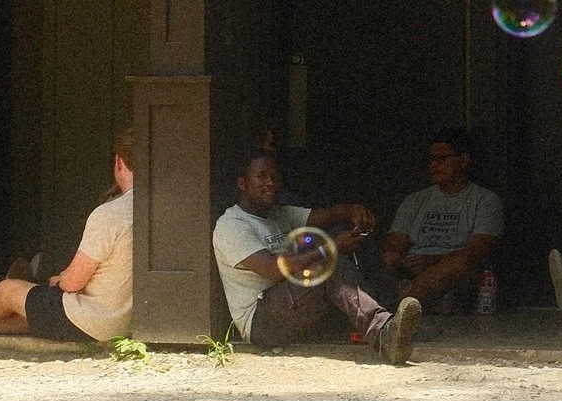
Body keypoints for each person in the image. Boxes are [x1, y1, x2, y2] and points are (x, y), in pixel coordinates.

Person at [211, 149, 420, 362]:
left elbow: (331, 214)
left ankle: (391, 319)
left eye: (275, 177)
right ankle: (384, 335)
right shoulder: (231, 226)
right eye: (262, 176)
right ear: (242, 184)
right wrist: (332, 246)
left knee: (345, 236)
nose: (271, 183)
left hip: (291, 302)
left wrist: (354, 211)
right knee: (328, 262)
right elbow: (275, 270)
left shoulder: (278, 213)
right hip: (261, 321)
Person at [0, 134, 135, 342]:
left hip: (94, 321)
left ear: (119, 162)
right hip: (128, 323)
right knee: (31, 313)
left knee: (9, 289)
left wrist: (59, 280)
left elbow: (73, 282)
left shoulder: (111, 213)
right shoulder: (161, 213)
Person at [380, 130, 503, 318]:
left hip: (454, 269)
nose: (434, 165)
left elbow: (478, 251)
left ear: (463, 160)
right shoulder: (415, 200)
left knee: (461, 264)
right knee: (383, 258)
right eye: (431, 160)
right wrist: (399, 258)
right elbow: (395, 241)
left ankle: (394, 315)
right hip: (412, 267)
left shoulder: (485, 200)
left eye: (441, 159)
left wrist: (431, 261)